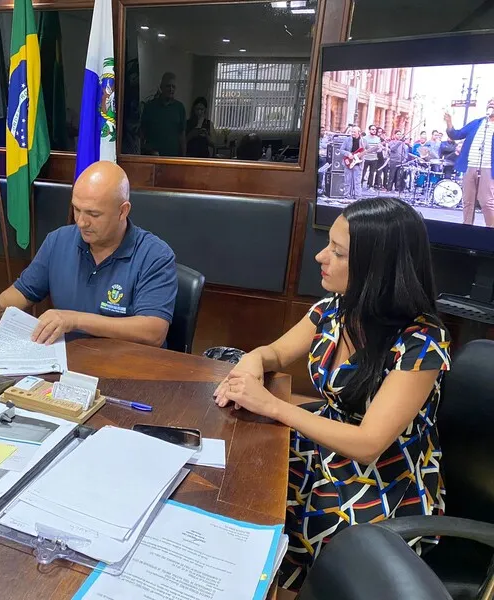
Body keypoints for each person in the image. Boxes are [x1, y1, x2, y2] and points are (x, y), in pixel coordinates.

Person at [213, 197, 450, 590]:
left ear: (376, 268)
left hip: (383, 478)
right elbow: (275, 352)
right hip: (324, 445)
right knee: (243, 481)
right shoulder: (334, 310)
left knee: (294, 524)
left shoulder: (422, 342)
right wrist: (253, 362)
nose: (321, 256)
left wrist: (273, 405)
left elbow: (369, 443)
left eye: (337, 252)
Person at [0, 161, 177, 347]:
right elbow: (23, 292)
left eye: (93, 214)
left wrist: (74, 320)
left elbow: (153, 332)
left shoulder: (155, 255)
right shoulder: (58, 240)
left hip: (127, 371)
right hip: (66, 364)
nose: (81, 222)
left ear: (123, 211)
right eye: (77, 210)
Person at [445, 99, 494, 226]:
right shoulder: (477, 123)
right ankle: (467, 227)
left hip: (488, 167)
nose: (491, 104)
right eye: (489, 102)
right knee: (467, 200)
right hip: (470, 166)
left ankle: (491, 229)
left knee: (486, 201)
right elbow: (457, 134)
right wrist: (449, 122)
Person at [140, 72, 187, 157]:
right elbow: (142, 133)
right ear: (161, 87)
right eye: (168, 86)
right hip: (153, 156)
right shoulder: (150, 106)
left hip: (173, 157)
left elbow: (182, 135)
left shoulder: (179, 107)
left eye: (173, 87)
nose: (171, 89)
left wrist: (183, 157)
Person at [339, 126, 367, 201]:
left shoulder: (363, 141)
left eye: (354, 132)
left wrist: (378, 148)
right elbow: (341, 150)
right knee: (347, 180)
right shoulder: (347, 140)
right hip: (348, 162)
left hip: (358, 163)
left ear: (359, 133)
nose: (352, 133)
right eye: (352, 132)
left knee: (357, 181)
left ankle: (358, 196)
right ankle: (346, 195)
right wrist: (348, 154)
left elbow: (367, 150)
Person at [361, 125, 381, 189]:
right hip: (366, 158)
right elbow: (363, 148)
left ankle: (369, 186)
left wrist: (379, 149)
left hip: (374, 158)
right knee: (363, 172)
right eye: (372, 129)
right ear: (369, 130)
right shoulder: (365, 138)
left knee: (372, 173)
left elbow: (379, 148)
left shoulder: (377, 139)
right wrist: (369, 150)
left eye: (375, 129)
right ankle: (360, 185)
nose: (374, 131)